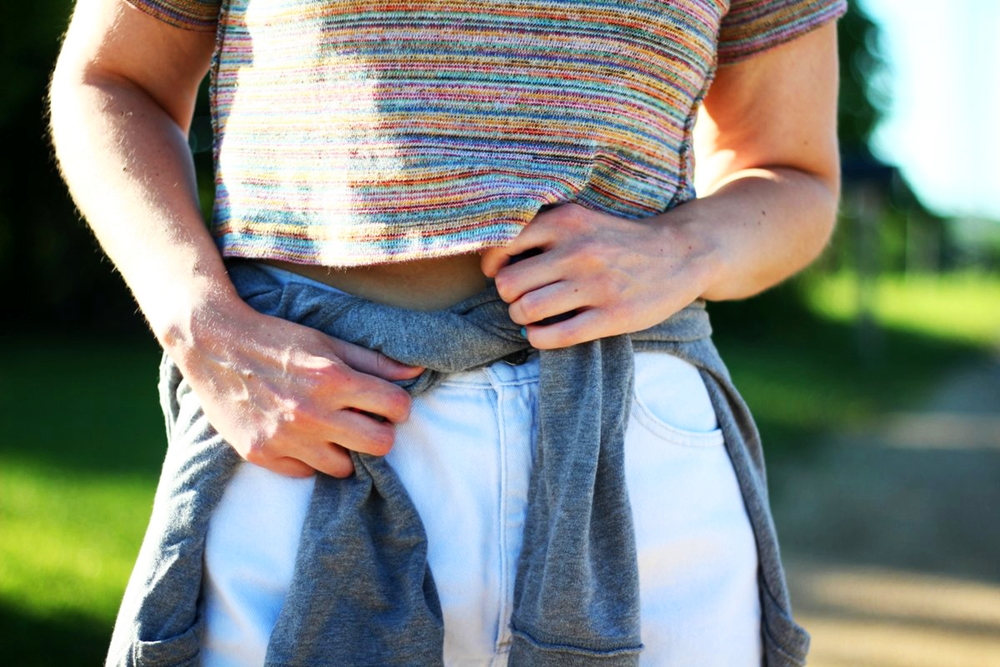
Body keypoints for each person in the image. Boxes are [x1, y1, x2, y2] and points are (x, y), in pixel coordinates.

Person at [50, 0, 846, 664]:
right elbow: (111, 78)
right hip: (308, 429)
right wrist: (201, 321)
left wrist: (682, 247)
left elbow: (793, 172)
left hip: (634, 460)